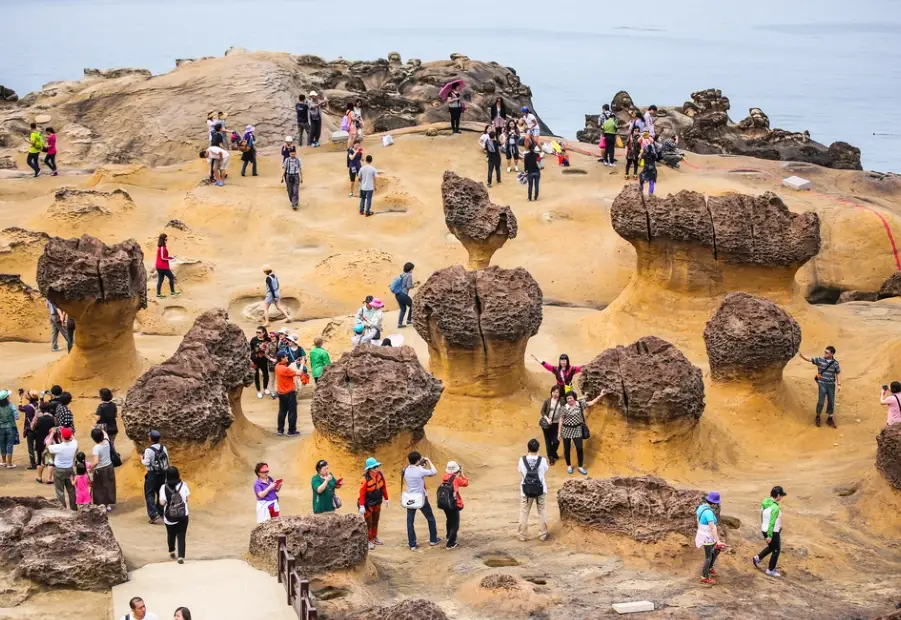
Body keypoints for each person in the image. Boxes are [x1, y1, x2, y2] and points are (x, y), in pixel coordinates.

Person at [402, 451, 441, 551]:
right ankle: (433, 540)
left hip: (410, 498)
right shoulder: (420, 470)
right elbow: (434, 471)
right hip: (421, 498)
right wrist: (428, 460)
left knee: (410, 522)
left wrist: (420, 465)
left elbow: (415, 470)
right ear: (418, 460)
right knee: (430, 518)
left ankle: (412, 544)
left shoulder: (406, 470)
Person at [559, 390, 605, 475]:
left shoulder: (580, 404)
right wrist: (559, 433)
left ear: (574, 398)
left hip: (577, 429)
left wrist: (600, 395)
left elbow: (591, 403)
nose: (569, 400)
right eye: (568, 399)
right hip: (566, 430)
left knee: (579, 448)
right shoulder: (564, 408)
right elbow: (561, 420)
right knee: (567, 449)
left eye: (571, 398)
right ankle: (569, 466)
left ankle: (580, 467)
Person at [799, 346, 841, 427]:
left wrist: (839, 385)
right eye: (825, 352)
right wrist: (802, 356)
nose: (825, 354)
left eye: (827, 353)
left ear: (832, 354)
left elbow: (838, 373)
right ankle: (818, 416)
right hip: (822, 384)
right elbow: (810, 359)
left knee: (831, 401)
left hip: (831, 385)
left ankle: (830, 418)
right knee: (821, 401)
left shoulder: (835, 363)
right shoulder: (820, 360)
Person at [517, 438, 549, 541]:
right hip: (540, 489)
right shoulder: (542, 460)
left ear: (528, 448)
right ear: (538, 448)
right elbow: (545, 470)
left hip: (526, 490)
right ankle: (543, 534)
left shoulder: (522, 460)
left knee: (524, 512)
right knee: (542, 511)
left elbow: (520, 471)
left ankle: (522, 535)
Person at [753, 486, 787, 578]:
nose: (781, 497)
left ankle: (757, 558)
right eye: (781, 495)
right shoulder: (775, 507)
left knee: (772, 547)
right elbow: (772, 522)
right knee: (776, 549)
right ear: (778, 495)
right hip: (772, 531)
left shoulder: (765, 502)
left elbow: (762, 516)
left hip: (764, 528)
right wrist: (770, 535)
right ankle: (770, 570)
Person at [160, 466, 190, 564]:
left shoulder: (164, 487)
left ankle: (172, 550)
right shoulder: (184, 485)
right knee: (181, 535)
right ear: (178, 475)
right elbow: (187, 499)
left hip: (170, 516)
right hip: (183, 514)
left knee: (171, 534)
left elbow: (162, 502)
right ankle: (181, 556)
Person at [358, 457, 389, 550]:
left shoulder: (380, 475)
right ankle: (369, 540)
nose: (376, 469)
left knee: (376, 520)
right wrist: (361, 505)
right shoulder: (365, 478)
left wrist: (386, 498)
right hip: (368, 504)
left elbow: (383, 487)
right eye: (374, 467)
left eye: (377, 466)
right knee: (369, 522)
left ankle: (374, 537)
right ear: (369, 469)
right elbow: (362, 492)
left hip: (377, 502)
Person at [438, 460, 468, 549]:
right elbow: (465, 483)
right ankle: (450, 543)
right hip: (453, 503)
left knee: (449, 520)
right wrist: (462, 474)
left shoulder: (444, 477)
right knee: (455, 524)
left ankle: (448, 537)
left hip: (445, 503)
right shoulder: (457, 479)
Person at [142, 430, 169, 524]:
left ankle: (153, 514)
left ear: (150, 439)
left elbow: (146, 463)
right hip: (162, 473)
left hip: (152, 474)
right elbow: (167, 460)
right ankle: (161, 512)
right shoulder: (163, 448)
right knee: (160, 492)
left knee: (149, 493)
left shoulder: (148, 450)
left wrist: (141, 459)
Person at [696, 491, 723, 585]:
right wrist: (718, 541)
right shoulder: (708, 513)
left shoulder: (701, 507)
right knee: (708, 557)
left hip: (706, 535)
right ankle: (704, 576)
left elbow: (697, 520)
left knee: (716, 550)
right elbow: (712, 528)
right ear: (714, 504)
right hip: (708, 537)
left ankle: (710, 568)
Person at [49, 426, 78, 509]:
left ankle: (63, 509)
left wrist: (52, 433)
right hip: (70, 470)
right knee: (72, 491)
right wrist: (70, 433)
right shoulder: (74, 444)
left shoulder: (58, 447)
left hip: (59, 470)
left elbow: (48, 445)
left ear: (61, 436)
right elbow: (74, 439)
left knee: (60, 492)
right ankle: (74, 508)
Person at [274, 352, 300, 436]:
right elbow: (299, 373)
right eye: (286, 356)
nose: (287, 357)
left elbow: (286, 367)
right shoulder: (285, 370)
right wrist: (302, 364)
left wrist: (295, 362)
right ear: (282, 358)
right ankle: (291, 431)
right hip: (289, 393)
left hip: (281, 393)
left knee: (282, 412)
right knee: (292, 412)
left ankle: (280, 430)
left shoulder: (277, 366)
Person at [90, 427, 117, 510]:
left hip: (100, 470)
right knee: (109, 486)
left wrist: (90, 468)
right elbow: (105, 434)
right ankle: (108, 505)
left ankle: (101, 505)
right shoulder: (107, 442)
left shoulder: (96, 448)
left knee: (99, 488)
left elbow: (96, 461)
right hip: (109, 466)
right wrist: (98, 429)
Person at [539, 386, 564, 465]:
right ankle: (551, 458)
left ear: (560, 393)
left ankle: (553, 453)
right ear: (551, 392)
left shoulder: (562, 401)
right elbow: (542, 412)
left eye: (557, 392)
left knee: (557, 440)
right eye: (553, 392)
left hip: (557, 424)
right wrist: (547, 419)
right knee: (548, 441)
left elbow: (572, 399)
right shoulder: (547, 401)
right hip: (548, 424)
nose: (555, 394)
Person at [32, 403, 56, 483]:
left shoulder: (38, 419)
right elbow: (56, 427)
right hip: (50, 441)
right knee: (50, 460)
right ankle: (49, 478)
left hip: (39, 441)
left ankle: (39, 478)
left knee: (39, 459)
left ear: (41, 410)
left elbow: (32, 427)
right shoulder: (53, 419)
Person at [18, 389, 39, 469]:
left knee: (30, 447)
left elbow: (20, 408)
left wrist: (20, 398)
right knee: (39, 446)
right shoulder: (40, 405)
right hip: (39, 428)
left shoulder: (28, 407)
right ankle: (40, 462)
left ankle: (33, 463)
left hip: (30, 429)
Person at [390, 262, 415, 328]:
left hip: (397, 294)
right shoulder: (409, 275)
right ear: (410, 269)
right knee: (413, 305)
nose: (413, 270)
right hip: (403, 294)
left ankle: (400, 324)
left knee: (403, 309)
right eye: (412, 269)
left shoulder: (402, 274)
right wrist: (414, 285)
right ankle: (409, 320)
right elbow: (409, 286)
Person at [95, 387, 119, 456]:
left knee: (106, 445)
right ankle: (114, 456)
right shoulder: (114, 405)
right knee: (111, 444)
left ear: (101, 397)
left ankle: (112, 458)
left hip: (105, 430)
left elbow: (97, 418)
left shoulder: (101, 407)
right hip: (114, 428)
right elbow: (115, 415)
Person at [155, 234, 179, 298]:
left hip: (160, 266)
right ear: (163, 240)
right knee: (171, 277)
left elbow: (163, 257)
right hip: (162, 266)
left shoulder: (161, 247)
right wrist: (171, 258)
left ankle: (158, 294)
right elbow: (163, 257)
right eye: (166, 239)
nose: (166, 241)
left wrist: (171, 257)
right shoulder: (162, 248)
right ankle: (172, 292)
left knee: (160, 280)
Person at [250, 326, 271, 398]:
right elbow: (250, 349)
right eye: (256, 332)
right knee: (256, 376)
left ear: (264, 333)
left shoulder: (268, 339)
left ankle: (265, 388)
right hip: (255, 361)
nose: (257, 334)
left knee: (266, 374)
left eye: (259, 332)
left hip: (264, 361)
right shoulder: (253, 340)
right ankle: (259, 391)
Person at [0, 390, 18, 469]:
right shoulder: (11, 406)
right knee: (9, 445)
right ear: (6, 398)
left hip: (0, 428)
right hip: (11, 427)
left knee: (2, 444)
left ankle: (4, 462)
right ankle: (9, 463)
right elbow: (17, 417)